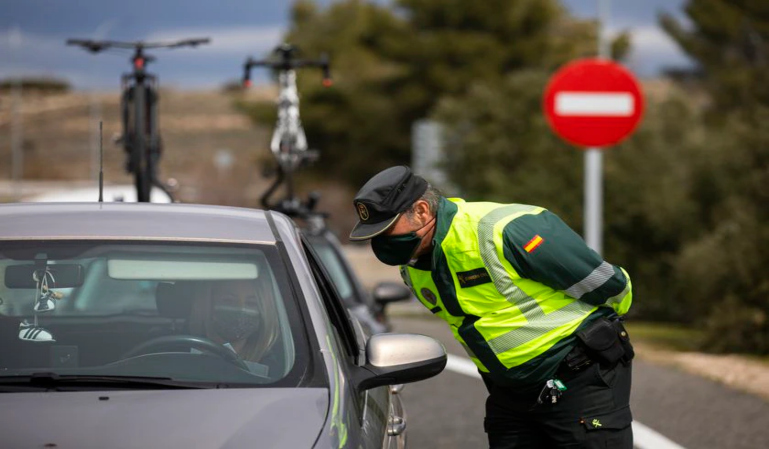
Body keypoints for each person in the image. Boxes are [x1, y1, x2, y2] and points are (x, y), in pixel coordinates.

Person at [349, 166, 635, 449]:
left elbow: (608, 285)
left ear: (422, 211)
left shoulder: (508, 229)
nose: (382, 243)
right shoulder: (412, 266)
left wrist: (605, 324)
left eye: (387, 230)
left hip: (580, 379)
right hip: (510, 394)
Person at [188, 279, 279, 376]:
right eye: (229, 301)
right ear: (208, 306)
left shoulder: (275, 369)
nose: (241, 309)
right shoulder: (179, 352)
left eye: (251, 303)